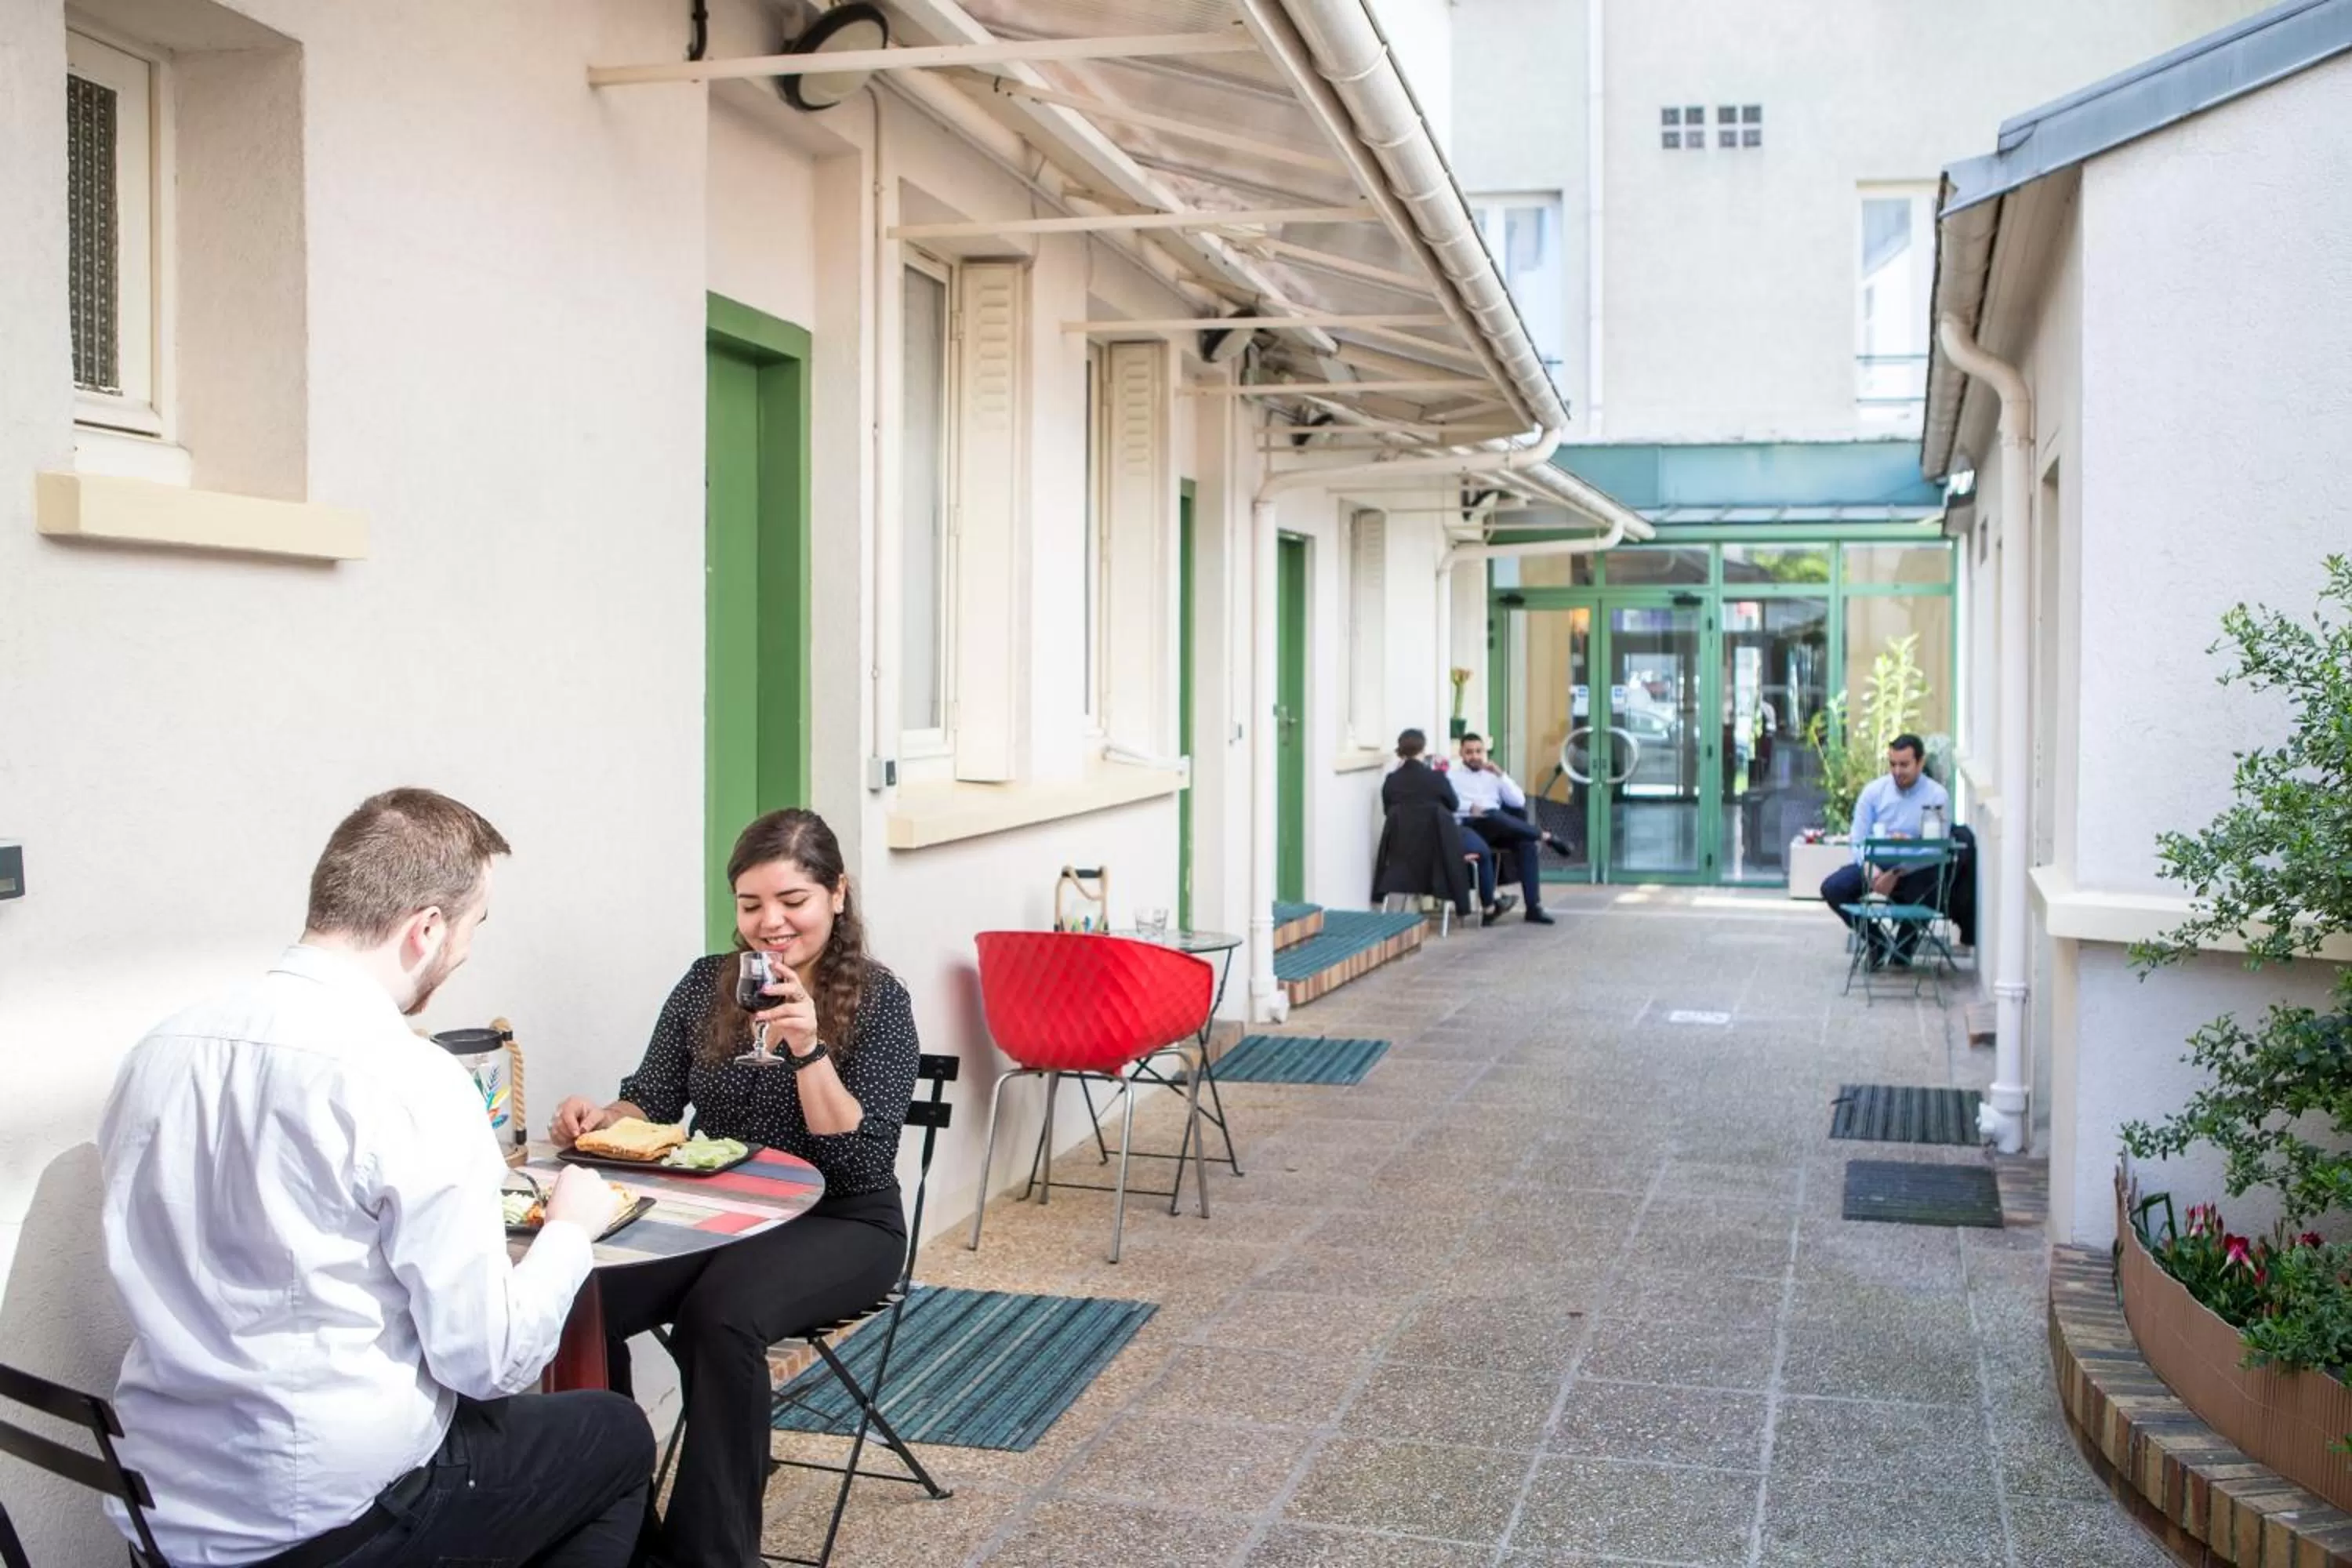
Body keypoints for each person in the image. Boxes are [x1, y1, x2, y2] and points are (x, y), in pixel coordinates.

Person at [99, 788, 652, 1568]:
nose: (463, 954)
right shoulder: (408, 1076)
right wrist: (568, 1229)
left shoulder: (160, 1047)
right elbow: (490, 1363)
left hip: (162, 1512)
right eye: (470, 929)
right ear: (425, 928)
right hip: (329, 1521)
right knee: (618, 1437)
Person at [558, 809, 920, 1568]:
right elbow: (650, 1099)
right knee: (575, 1294)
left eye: (793, 900)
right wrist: (601, 1116)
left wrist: (808, 1047)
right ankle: (615, 1528)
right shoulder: (706, 985)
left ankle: (712, 1556)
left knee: (720, 1315)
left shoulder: (881, 1002)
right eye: (751, 904)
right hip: (723, 1211)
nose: (771, 922)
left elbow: (860, 1163)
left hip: (844, 1221)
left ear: (838, 894)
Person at [1819, 733, 1955, 967]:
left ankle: (1904, 947)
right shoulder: (1874, 792)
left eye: (1905, 765)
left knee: (1933, 888)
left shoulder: (1937, 796)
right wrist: (1870, 868)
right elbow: (1858, 839)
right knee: (1833, 888)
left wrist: (1898, 872)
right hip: (1877, 864)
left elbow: (1935, 850)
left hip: (1916, 869)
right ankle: (1876, 940)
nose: (1898, 771)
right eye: (1893, 764)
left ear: (1920, 763)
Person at [1451, 733, 1558, 926]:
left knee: (1526, 844)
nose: (1474, 756)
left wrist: (1502, 775)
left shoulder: (1494, 776)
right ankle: (1544, 835)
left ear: (1485, 752)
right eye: (1469, 752)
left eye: (1478, 751)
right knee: (1491, 814)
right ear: (1461, 753)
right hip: (1471, 827)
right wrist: (1470, 808)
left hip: (1497, 827)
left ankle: (1533, 908)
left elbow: (1519, 801)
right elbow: (1449, 804)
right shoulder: (1452, 776)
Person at [1373, 728, 1476, 919]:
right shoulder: (1436, 778)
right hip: (1436, 856)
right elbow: (1453, 805)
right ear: (1423, 749)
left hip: (1401, 855)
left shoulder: (1392, 781)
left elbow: (1389, 812)